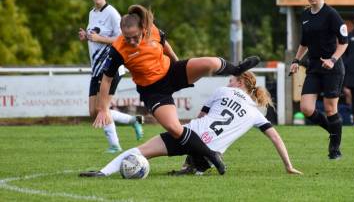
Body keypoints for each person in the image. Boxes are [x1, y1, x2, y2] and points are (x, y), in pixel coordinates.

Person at [91, 4, 261, 174]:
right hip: (153, 90)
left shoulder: (153, 30)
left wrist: (178, 62)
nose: (132, 42)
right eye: (127, 38)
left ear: (143, 28)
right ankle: (211, 156)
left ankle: (237, 69)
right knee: (175, 128)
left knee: (210, 63)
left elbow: (165, 45)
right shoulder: (117, 50)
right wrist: (103, 109)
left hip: (171, 72)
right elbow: (106, 80)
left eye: (135, 37)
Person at [79, 71, 302, 177]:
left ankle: (103, 173)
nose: (228, 82)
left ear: (240, 82)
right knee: (202, 156)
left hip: (188, 136)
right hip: (210, 152)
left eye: (232, 79)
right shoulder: (256, 113)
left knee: (139, 151)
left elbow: (199, 117)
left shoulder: (223, 91)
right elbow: (276, 137)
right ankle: (195, 166)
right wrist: (288, 166)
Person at [78, 0, 144, 153]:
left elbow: (124, 38)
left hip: (110, 67)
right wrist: (87, 36)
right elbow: (96, 35)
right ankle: (132, 121)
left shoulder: (113, 13)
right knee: (93, 112)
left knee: (102, 108)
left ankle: (114, 145)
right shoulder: (92, 13)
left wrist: (99, 39)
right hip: (96, 68)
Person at [289, 0, 348, 159]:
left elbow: (344, 42)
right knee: (306, 108)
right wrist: (296, 60)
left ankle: (334, 148)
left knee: (331, 109)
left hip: (332, 67)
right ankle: (334, 130)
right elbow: (304, 43)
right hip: (314, 67)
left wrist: (332, 59)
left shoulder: (332, 14)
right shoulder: (306, 15)